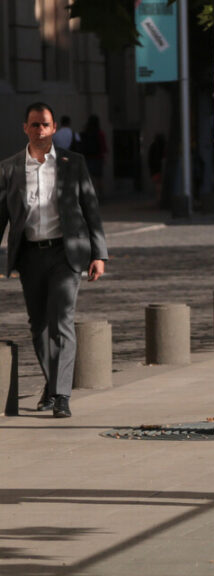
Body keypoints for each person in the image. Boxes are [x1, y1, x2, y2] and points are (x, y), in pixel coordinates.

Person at [0, 102, 108, 418]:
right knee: (39, 327)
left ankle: (61, 395)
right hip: (30, 255)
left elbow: (91, 209)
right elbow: (1, 216)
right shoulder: (9, 168)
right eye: (34, 125)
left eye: (45, 125)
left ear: (53, 128)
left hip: (66, 253)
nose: (40, 130)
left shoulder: (72, 163)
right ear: (25, 128)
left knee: (62, 321)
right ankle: (52, 383)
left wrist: (99, 253)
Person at [80, 114, 107, 197]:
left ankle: (89, 195)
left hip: (87, 157)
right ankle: (100, 195)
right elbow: (103, 146)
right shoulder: (100, 133)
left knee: (89, 178)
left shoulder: (85, 132)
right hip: (98, 157)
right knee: (98, 178)